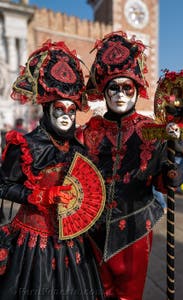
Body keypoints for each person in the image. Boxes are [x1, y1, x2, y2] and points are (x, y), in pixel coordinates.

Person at [78, 31, 181, 300]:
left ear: (137, 90)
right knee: (96, 292)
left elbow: (161, 180)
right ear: (104, 91)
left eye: (127, 88)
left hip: (134, 229)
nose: (120, 95)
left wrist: (170, 175)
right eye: (114, 88)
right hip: (93, 233)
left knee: (129, 295)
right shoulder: (90, 130)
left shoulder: (153, 130)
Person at [0, 40, 106, 299]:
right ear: (47, 109)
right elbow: (3, 185)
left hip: (73, 242)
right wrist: (39, 196)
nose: (66, 116)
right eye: (59, 109)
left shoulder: (78, 150)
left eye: (71, 110)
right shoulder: (25, 145)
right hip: (33, 242)